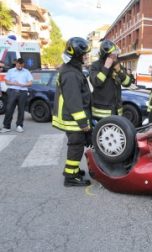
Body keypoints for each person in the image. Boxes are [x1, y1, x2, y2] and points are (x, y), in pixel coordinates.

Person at [52, 37, 92, 187]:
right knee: (76, 145)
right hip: (72, 118)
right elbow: (74, 101)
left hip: (71, 116)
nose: (86, 56)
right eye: (84, 54)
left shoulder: (72, 68)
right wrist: (83, 122)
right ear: (76, 54)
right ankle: (70, 177)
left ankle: (73, 170)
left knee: (76, 145)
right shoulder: (70, 73)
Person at [89, 40, 131, 121]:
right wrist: (106, 68)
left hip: (117, 112)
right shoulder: (95, 66)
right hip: (101, 113)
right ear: (106, 55)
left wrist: (119, 71)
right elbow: (96, 82)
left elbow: (128, 83)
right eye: (113, 54)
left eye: (116, 54)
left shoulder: (117, 65)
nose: (115, 56)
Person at [0, 58, 33, 133]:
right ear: (16, 63)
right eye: (19, 64)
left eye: (22, 65)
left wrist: (23, 84)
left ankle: (19, 126)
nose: (20, 66)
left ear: (23, 64)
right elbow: (6, 82)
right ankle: (6, 126)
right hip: (12, 91)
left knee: (21, 110)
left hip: (23, 92)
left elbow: (30, 83)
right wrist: (13, 83)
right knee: (9, 109)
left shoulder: (26, 72)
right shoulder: (11, 71)